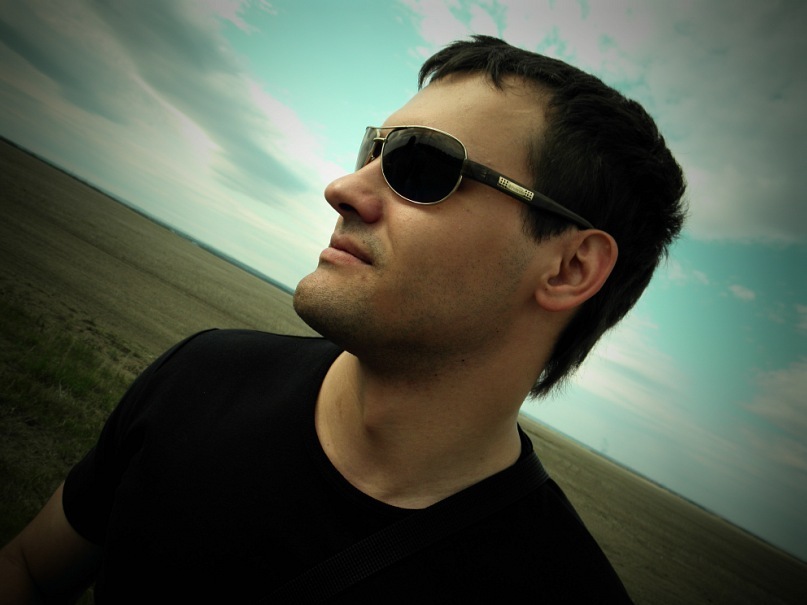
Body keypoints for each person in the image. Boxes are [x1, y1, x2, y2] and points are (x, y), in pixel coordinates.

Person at [0, 35, 685, 603]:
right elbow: (29, 568)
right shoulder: (202, 374)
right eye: (373, 151)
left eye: (421, 164)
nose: (344, 187)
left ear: (569, 268)